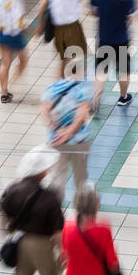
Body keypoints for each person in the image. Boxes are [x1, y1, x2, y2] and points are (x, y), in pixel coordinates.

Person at [0, 147, 66, 275]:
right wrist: (62, 251)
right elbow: (57, 233)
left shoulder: (12, 189)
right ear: (42, 172)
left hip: (19, 242)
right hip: (41, 244)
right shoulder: (49, 197)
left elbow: (5, 219)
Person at [40, 60, 93, 195]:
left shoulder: (52, 88)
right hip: (79, 141)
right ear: (81, 72)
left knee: (57, 177)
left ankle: (54, 209)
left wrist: (56, 129)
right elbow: (81, 116)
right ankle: (82, 209)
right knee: (80, 176)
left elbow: (44, 111)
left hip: (56, 140)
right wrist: (69, 132)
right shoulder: (83, 89)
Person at [91, 0, 138, 108]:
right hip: (121, 37)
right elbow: (131, 16)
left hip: (104, 37)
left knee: (101, 70)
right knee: (123, 69)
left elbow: (93, 11)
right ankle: (123, 97)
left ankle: (96, 100)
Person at [38, 0, 88, 77]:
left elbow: (41, 8)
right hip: (73, 28)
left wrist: (40, 24)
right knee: (77, 56)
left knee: (64, 58)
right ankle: (75, 76)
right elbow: (79, 1)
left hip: (58, 30)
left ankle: (61, 81)